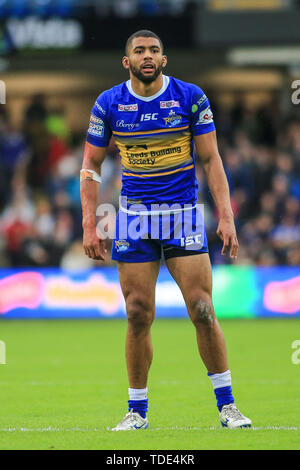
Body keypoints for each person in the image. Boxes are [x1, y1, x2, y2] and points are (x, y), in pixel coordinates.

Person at [80, 30, 252, 430]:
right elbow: (91, 166)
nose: (147, 56)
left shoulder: (191, 97)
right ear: (127, 61)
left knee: (203, 309)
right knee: (137, 313)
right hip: (134, 217)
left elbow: (211, 160)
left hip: (183, 214)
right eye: (139, 51)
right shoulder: (108, 104)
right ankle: (136, 411)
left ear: (164, 59)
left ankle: (227, 406)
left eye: (154, 50)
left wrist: (226, 215)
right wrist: (91, 222)